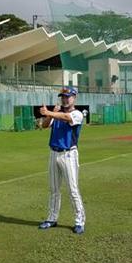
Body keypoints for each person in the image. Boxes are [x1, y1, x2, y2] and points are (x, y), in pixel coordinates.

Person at [38, 87, 86, 234]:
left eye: (68, 97)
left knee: (73, 189)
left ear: (74, 98)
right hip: (54, 152)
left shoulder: (77, 113)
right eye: (63, 97)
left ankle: (79, 221)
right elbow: (45, 125)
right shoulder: (57, 113)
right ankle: (52, 218)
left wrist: (50, 112)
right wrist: (49, 114)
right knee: (54, 189)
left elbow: (67, 118)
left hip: (68, 154)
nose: (65, 99)